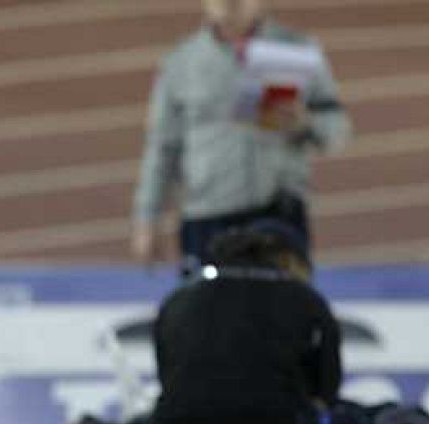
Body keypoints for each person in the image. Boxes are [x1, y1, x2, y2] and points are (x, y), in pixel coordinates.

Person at [131, 0, 351, 268]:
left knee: (281, 307)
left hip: (278, 213)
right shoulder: (181, 62)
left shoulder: (296, 49)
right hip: (207, 216)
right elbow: (162, 148)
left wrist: (305, 123)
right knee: (211, 307)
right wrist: (146, 219)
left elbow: (337, 128)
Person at [148, 222, 341, 424]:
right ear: (288, 260)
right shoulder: (306, 300)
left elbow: (168, 379)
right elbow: (326, 393)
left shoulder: (178, 299)